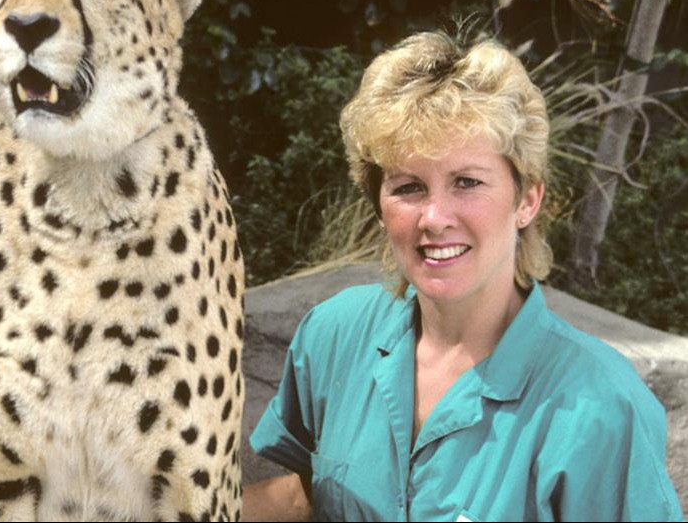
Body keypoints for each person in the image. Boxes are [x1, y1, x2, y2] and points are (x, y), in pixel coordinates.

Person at [243, 32, 684, 521]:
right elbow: (307, 499)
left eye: (467, 182)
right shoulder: (333, 336)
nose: (433, 217)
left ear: (527, 200)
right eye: (408, 187)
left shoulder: (603, 406)